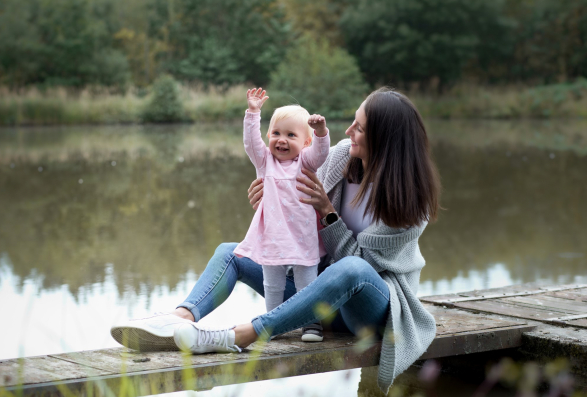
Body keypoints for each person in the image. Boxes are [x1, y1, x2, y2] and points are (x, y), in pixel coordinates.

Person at [110, 87, 441, 393]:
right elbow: (300, 208)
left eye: (359, 127)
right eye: (352, 122)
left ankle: (242, 334)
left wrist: (328, 212)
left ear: (384, 138)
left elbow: (361, 267)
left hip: (371, 310)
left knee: (353, 268)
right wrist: (274, 198)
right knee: (231, 253)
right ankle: (177, 322)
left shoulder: (411, 204)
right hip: (320, 295)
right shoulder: (341, 158)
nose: (348, 132)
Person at [234, 88, 330, 342]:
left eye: (290, 135)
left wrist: (321, 133)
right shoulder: (265, 163)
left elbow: (321, 153)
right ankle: (273, 324)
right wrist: (253, 113)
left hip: (303, 235)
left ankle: (311, 325)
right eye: (276, 133)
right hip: (272, 236)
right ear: (268, 136)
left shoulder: (306, 162)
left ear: (305, 142)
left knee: (307, 285)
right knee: (273, 285)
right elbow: (251, 143)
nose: (282, 140)